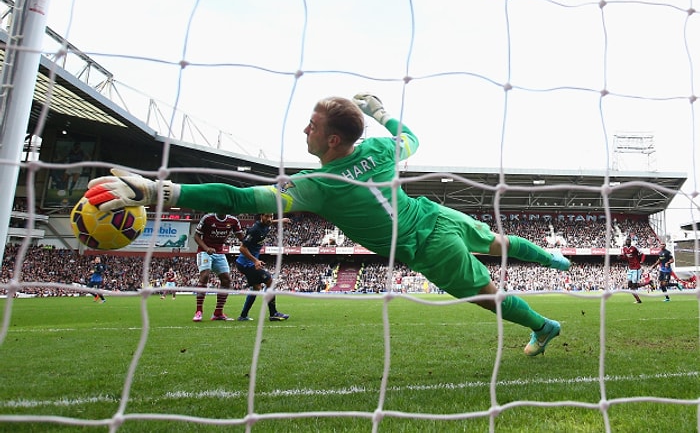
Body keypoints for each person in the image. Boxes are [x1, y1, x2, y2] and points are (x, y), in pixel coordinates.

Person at [85, 93, 571, 356]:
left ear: (333, 140)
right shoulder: (379, 150)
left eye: (312, 126)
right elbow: (412, 139)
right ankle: (552, 257)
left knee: (485, 294)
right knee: (498, 240)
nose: (305, 130)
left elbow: (238, 195)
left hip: (425, 244)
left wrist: (156, 191)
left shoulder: (317, 184)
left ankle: (543, 325)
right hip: (433, 213)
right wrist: (381, 113)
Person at [236, 213, 291, 322]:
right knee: (269, 281)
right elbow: (242, 248)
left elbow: (270, 222)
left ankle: (243, 315)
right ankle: (273, 313)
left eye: (271, 216)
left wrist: (281, 220)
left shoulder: (266, 224)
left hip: (246, 263)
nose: (269, 219)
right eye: (266, 216)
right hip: (247, 263)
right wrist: (255, 260)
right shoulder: (254, 230)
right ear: (261, 216)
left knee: (256, 288)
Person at [191, 213, 244, 321]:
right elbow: (196, 236)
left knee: (227, 280)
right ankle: (199, 311)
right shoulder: (207, 218)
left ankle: (218, 313)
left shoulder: (233, 220)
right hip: (205, 251)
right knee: (205, 276)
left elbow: (241, 237)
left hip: (219, 252)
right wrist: (206, 248)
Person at [620, 236, 644, 304]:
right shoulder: (624, 248)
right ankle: (648, 283)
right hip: (630, 268)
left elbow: (643, 254)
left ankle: (638, 300)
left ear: (630, 241)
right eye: (627, 240)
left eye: (629, 240)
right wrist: (621, 257)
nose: (627, 241)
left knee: (633, 287)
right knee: (630, 286)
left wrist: (641, 261)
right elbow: (625, 257)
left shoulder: (634, 247)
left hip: (636, 268)